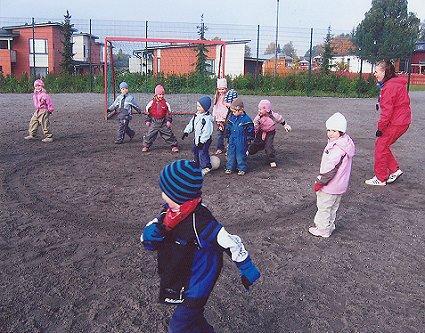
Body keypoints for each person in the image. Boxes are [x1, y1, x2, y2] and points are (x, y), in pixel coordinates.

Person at [141, 159, 261, 333]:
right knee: (194, 318)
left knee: (178, 327)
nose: (162, 195)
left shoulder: (203, 222)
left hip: (198, 284)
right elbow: (153, 229)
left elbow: (230, 242)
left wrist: (248, 268)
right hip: (181, 276)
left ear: (177, 195)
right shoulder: (170, 211)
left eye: (164, 191)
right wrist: (149, 234)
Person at [365, 60, 411, 186]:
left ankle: (380, 178)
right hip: (402, 121)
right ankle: (394, 170)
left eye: (376, 71)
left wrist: (380, 128)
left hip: (396, 122)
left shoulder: (389, 87)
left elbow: (387, 112)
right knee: (383, 145)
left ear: (384, 71)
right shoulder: (395, 83)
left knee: (380, 146)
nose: (375, 74)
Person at [309, 113, 355, 238]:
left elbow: (330, 169)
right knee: (333, 207)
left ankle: (322, 229)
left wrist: (320, 182)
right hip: (340, 185)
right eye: (328, 130)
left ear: (341, 131)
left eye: (334, 130)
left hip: (330, 185)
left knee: (324, 207)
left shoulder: (336, 148)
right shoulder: (346, 143)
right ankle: (330, 225)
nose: (330, 133)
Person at [248, 99, 292, 168]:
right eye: (258, 109)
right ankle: (249, 151)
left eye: (260, 109)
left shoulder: (274, 116)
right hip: (261, 131)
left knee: (269, 146)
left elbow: (281, 119)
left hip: (270, 133)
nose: (259, 111)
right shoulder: (259, 116)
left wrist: (285, 125)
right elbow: (254, 123)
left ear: (267, 109)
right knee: (256, 143)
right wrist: (254, 130)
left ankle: (271, 160)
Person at [182, 96, 214, 175]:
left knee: (202, 152)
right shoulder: (196, 115)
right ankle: (196, 163)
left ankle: (206, 167)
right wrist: (186, 131)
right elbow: (191, 124)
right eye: (197, 106)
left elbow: (207, 132)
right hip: (197, 139)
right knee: (195, 151)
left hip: (204, 140)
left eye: (200, 106)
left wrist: (202, 141)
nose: (198, 108)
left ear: (205, 108)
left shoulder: (207, 119)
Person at [142, 84, 179, 153]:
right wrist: (147, 120)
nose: (161, 96)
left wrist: (168, 121)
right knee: (150, 134)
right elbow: (148, 112)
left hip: (163, 122)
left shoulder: (166, 103)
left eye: (162, 94)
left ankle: (174, 145)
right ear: (156, 94)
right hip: (154, 122)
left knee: (168, 134)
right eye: (159, 94)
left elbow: (168, 113)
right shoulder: (151, 103)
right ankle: (146, 146)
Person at [225, 98, 254, 176]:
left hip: (242, 139)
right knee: (230, 153)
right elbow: (228, 127)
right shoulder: (232, 118)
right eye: (233, 111)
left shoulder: (246, 119)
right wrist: (227, 135)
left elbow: (250, 130)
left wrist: (249, 139)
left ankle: (241, 168)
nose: (233, 113)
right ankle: (230, 167)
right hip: (232, 138)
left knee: (240, 154)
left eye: (235, 111)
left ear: (241, 110)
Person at [212, 78, 228, 155]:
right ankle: (219, 147)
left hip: (226, 118)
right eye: (220, 89)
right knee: (219, 134)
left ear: (226, 89)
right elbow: (215, 107)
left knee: (228, 133)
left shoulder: (228, 97)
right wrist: (214, 115)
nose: (221, 91)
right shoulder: (217, 97)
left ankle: (229, 147)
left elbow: (229, 108)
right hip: (219, 119)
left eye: (223, 89)